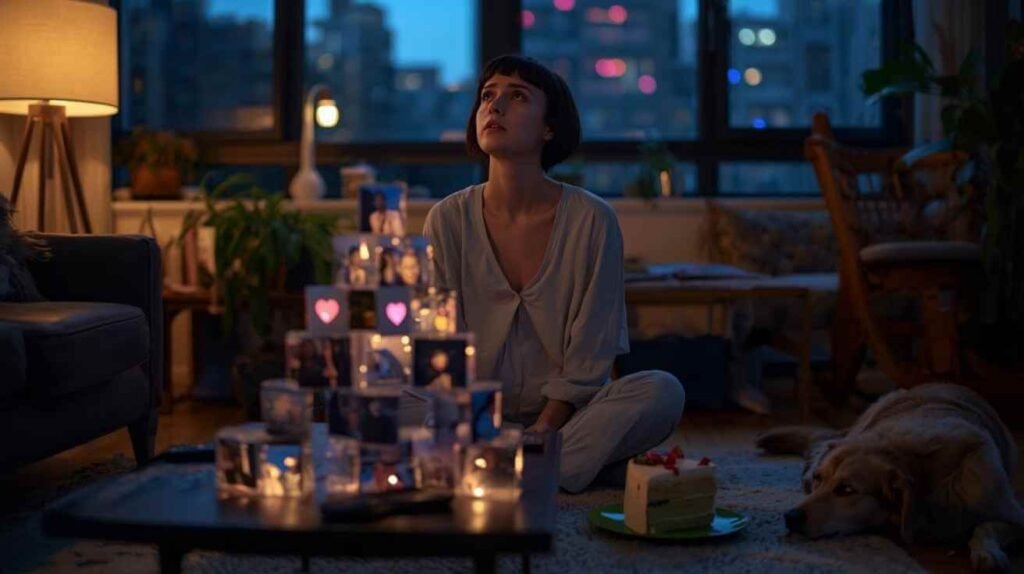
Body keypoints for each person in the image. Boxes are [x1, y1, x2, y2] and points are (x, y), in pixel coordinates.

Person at [423, 55, 685, 493]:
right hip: (472, 415)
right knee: (384, 400)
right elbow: (440, 345)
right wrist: (477, 420)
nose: (495, 106)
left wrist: (546, 427)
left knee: (662, 391)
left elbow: (593, 349)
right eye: (488, 96)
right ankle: (560, 469)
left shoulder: (592, 219)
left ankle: (505, 467)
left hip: (570, 415)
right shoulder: (446, 219)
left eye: (517, 96)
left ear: (549, 128)